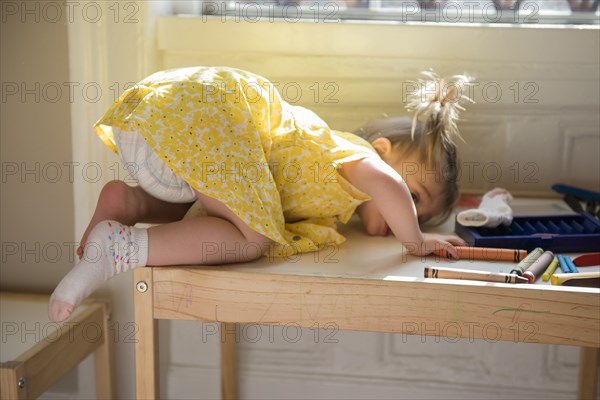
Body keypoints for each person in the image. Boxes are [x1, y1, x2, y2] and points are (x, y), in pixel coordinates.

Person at [49, 66, 470, 322]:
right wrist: (416, 242)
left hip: (168, 141)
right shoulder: (355, 159)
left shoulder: (327, 179)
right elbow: (389, 184)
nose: (406, 214)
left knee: (201, 219)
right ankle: (121, 247)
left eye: (420, 213)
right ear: (383, 151)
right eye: (415, 198)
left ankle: (130, 202)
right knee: (252, 240)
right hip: (205, 116)